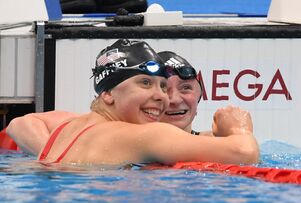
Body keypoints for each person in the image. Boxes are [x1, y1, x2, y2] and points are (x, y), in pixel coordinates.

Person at [32, 39, 259, 165]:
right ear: (108, 94)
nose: (162, 96)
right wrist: (239, 128)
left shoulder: (67, 128)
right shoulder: (146, 136)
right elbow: (244, 153)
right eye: (145, 83)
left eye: (162, 85)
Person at [7, 50, 210, 156]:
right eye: (165, 88)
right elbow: (20, 124)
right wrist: (56, 160)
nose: (171, 99)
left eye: (186, 88)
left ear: (200, 96)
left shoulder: (210, 139)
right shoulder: (101, 133)